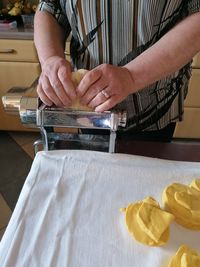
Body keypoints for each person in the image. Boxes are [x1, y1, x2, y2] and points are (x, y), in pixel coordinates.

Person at [34, 1, 200, 142]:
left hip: (154, 106)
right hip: (87, 107)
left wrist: (132, 76)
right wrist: (50, 59)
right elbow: (49, 7)